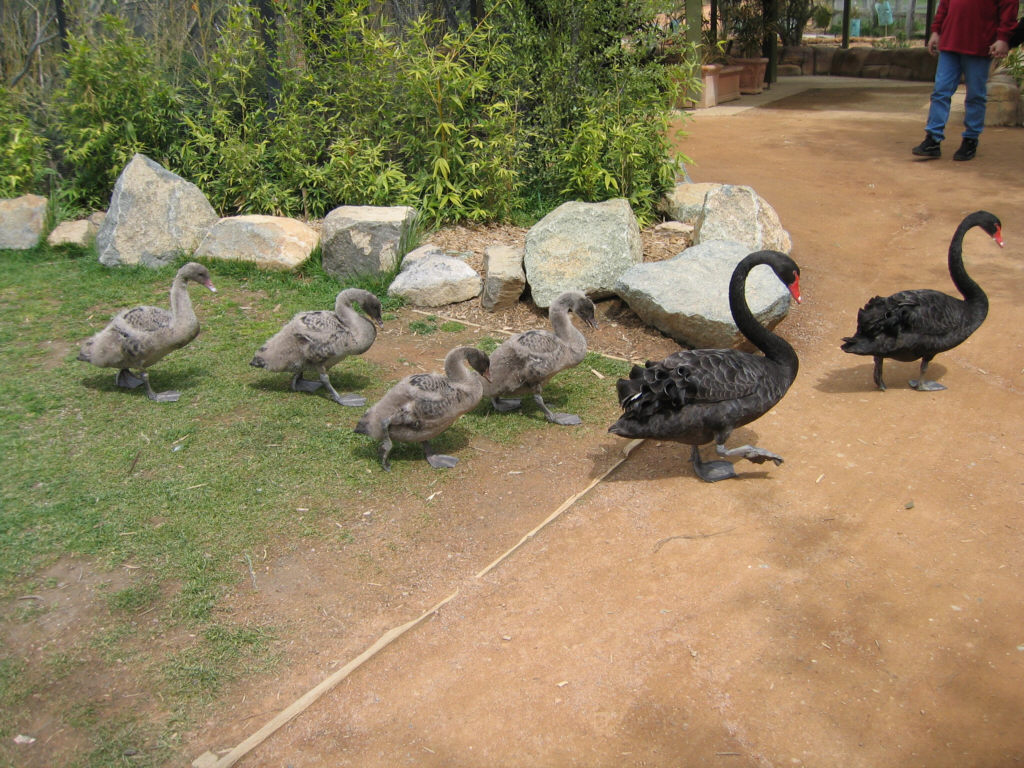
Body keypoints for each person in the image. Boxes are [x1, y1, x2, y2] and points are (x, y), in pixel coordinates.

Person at [912, 0, 1018, 161]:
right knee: (940, 91)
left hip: (980, 45)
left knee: (975, 95)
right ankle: (933, 138)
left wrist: (1003, 38)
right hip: (950, 42)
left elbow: (1009, 8)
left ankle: (970, 139)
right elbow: (944, 5)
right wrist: (936, 31)